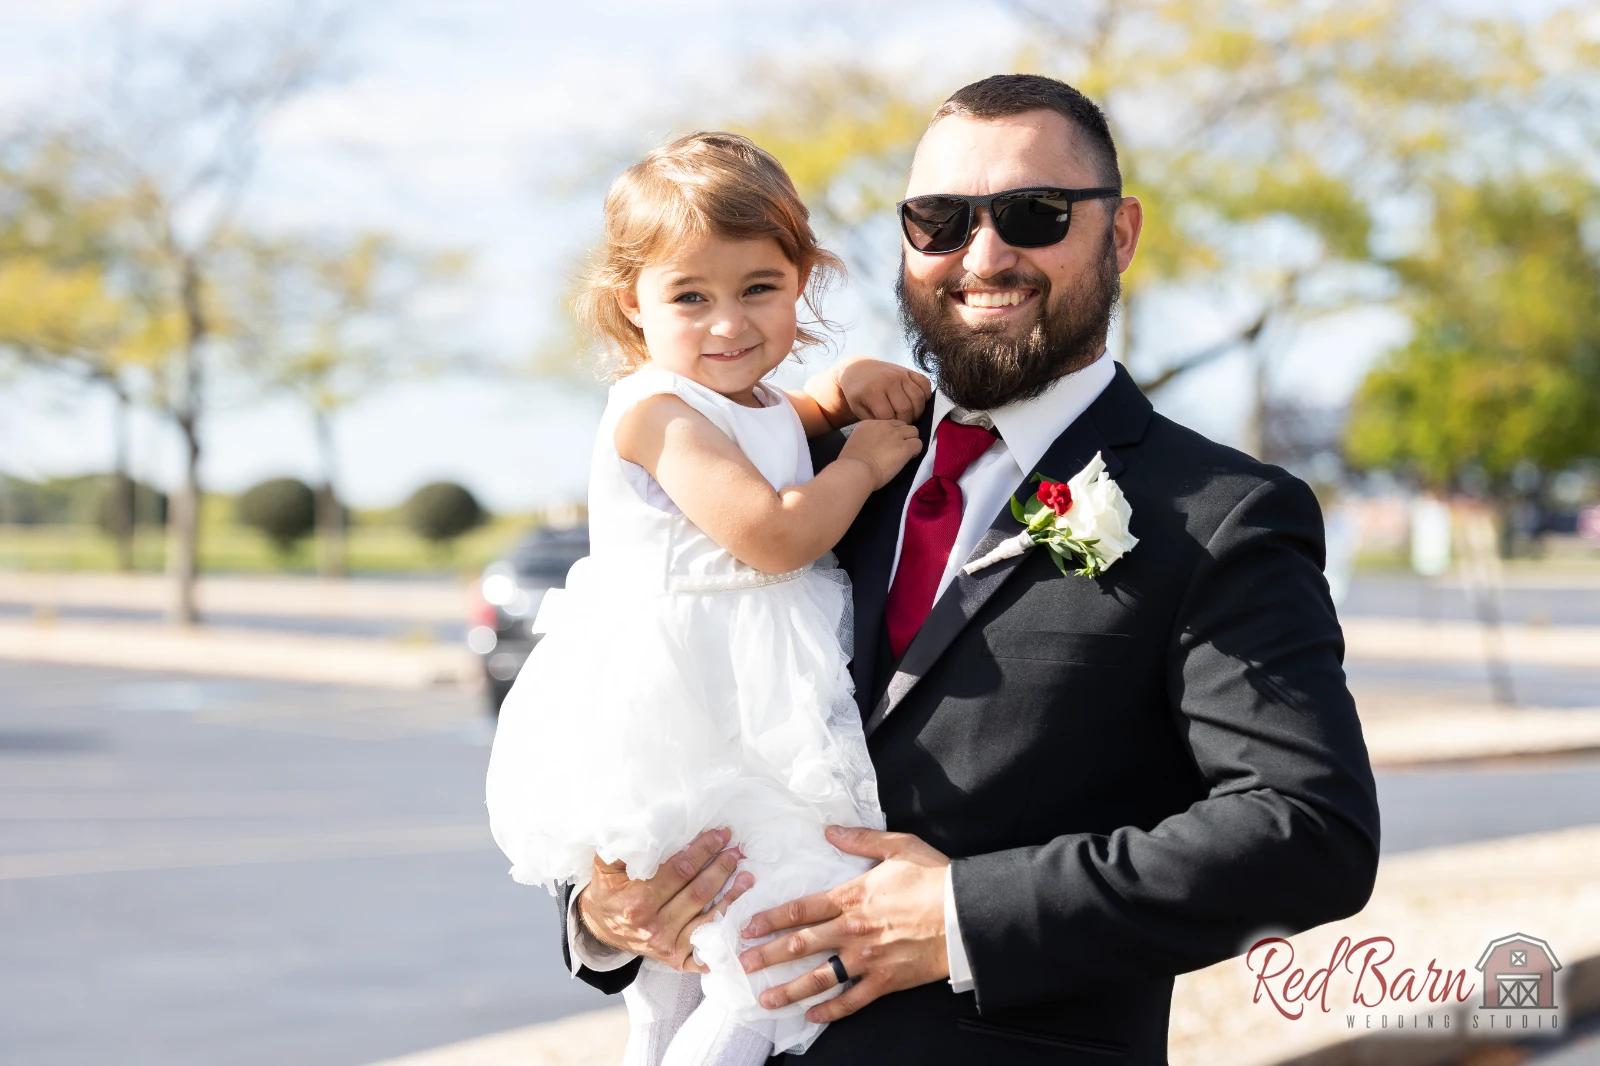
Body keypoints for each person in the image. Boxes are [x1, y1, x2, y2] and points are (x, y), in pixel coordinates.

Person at [561, 75, 1382, 1065]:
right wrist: (602, 912)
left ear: (1118, 235)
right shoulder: (790, 473)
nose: (982, 255)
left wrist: (960, 914)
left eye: (1033, 215)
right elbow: (637, 690)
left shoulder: (1218, 515)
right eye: (939, 219)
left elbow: (1305, 831)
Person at [485, 131, 934, 1065]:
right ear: (632, 305)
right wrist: (857, 459)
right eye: (691, 297)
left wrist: (840, 388)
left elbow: (784, 419)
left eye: (758, 289)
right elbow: (772, 535)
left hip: (736, 687)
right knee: (745, 943)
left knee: (713, 945)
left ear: (801, 278)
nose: (729, 324)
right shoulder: (656, 411)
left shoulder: (744, 399)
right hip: (686, 700)